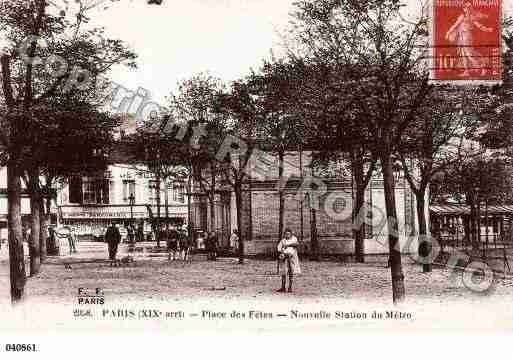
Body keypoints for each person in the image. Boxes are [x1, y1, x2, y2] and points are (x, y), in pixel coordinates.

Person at [445, 1, 494, 77]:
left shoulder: (472, 17)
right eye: (465, 7)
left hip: (467, 36)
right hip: (461, 37)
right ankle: (466, 71)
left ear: (471, 8)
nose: (467, 9)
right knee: (463, 54)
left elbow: (479, 25)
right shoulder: (462, 16)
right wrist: (448, 32)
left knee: (470, 53)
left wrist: (487, 29)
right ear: (463, 8)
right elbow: (455, 25)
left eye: (469, 7)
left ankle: (483, 67)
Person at [277, 228, 301, 293]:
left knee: (291, 272)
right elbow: (279, 248)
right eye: (286, 234)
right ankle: (283, 287)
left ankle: (290, 287)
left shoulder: (294, 239)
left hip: (292, 258)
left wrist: (288, 245)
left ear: (291, 234)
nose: (287, 235)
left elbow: (296, 244)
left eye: (288, 234)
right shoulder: (283, 241)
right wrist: (282, 252)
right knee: (284, 272)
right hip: (285, 257)